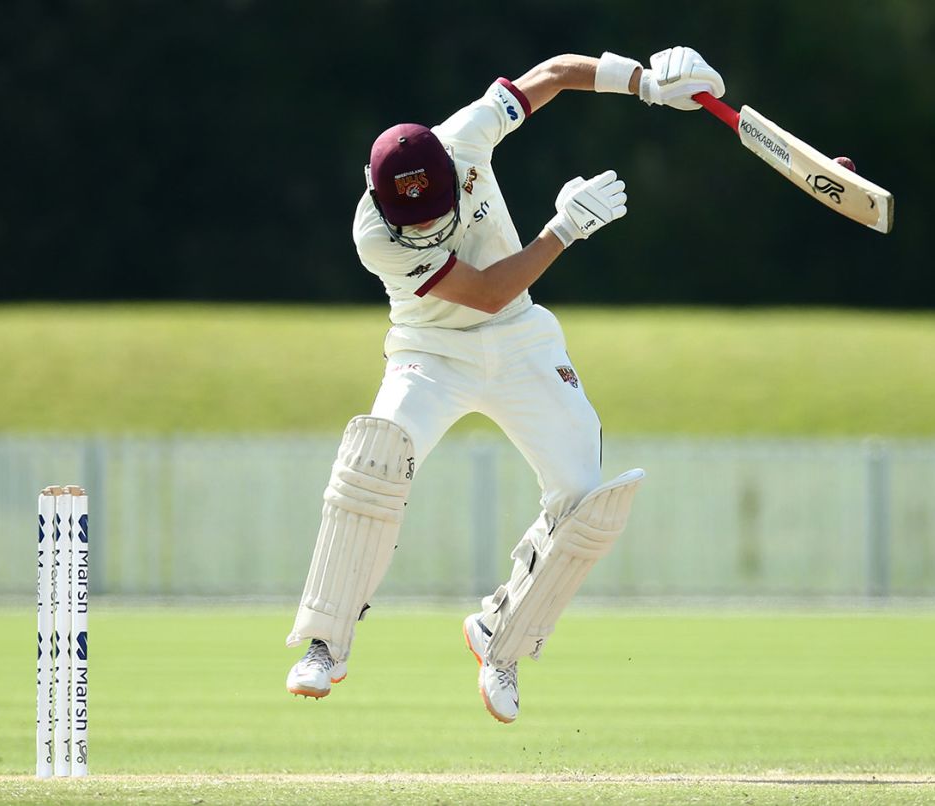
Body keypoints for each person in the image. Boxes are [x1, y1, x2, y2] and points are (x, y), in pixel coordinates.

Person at [284, 47, 725, 723]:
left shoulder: (464, 136)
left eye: (436, 208)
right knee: (375, 456)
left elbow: (553, 75)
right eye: (416, 221)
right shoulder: (373, 235)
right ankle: (325, 644)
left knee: (586, 494)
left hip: (521, 339)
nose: (430, 225)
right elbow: (485, 292)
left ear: (446, 166)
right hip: (430, 350)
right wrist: (563, 229)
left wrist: (645, 83)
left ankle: (502, 639)